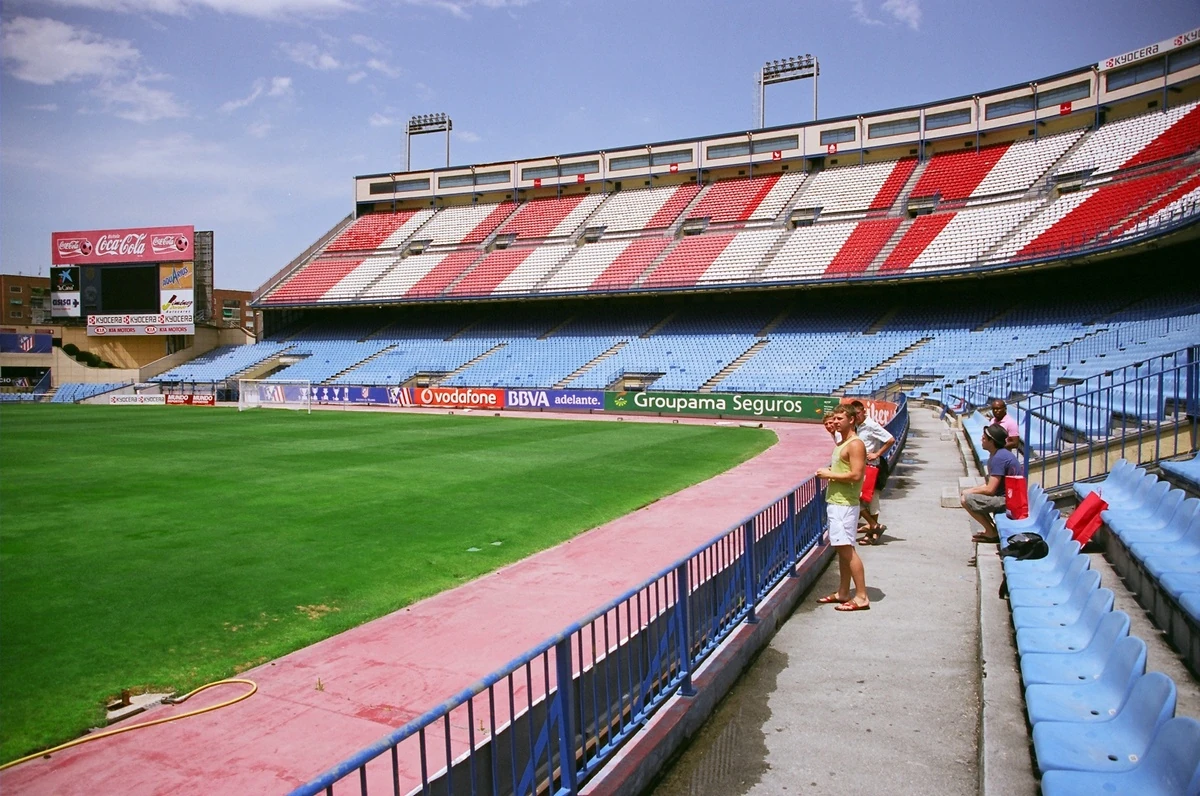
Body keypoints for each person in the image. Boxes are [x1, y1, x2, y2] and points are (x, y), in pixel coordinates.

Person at [815, 406, 871, 612]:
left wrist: (827, 474)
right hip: (838, 501)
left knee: (846, 549)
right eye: (835, 418)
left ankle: (862, 596)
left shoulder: (855, 444)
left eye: (840, 418)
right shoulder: (843, 442)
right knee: (842, 548)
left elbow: (856, 475)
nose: (836, 422)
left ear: (852, 419)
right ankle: (843, 591)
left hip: (844, 504)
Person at [960, 424, 1021, 543]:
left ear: (991, 441)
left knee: (965, 500)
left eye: (984, 438)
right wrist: (972, 490)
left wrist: (968, 492)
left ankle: (991, 532)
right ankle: (991, 530)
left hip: (1009, 501)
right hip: (1006, 497)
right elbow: (989, 485)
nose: (981, 440)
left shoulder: (999, 458)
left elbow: (990, 490)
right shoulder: (998, 454)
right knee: (969, 496)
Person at [849, 400, 896, 545]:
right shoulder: (857, 427)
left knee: (871, 498)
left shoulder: (871, 425)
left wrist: (877, 453)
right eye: (853, 414)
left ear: (863, 411)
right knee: (861, 498)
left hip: (872, 467)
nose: (856, 417)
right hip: (861, 466)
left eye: (857, 413)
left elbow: (890, 439)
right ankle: (874, 528)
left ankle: (872, 532)